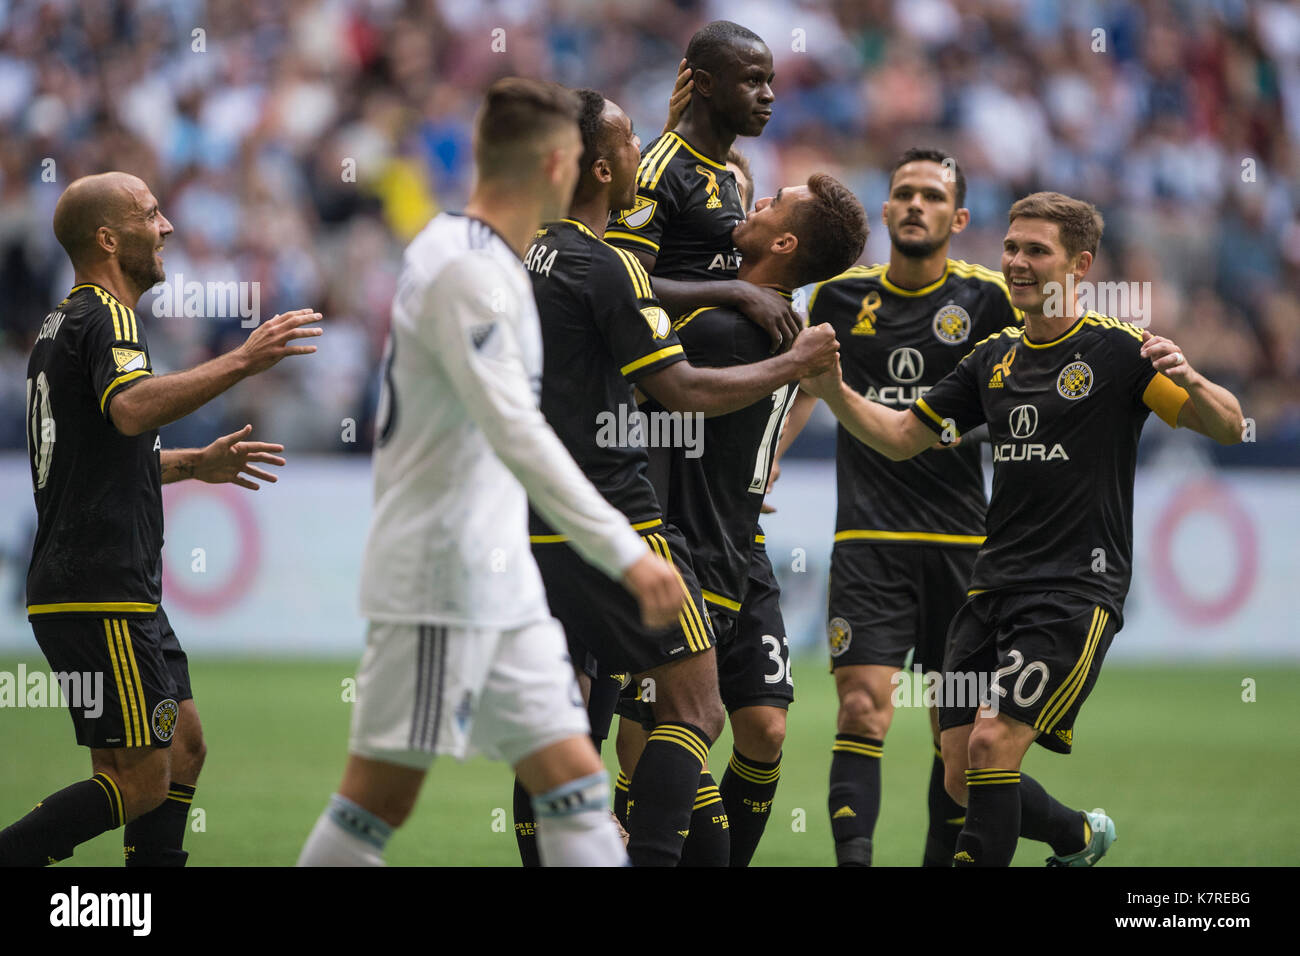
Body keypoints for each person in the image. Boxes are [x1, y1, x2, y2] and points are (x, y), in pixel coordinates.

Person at [297, 78, 685, 868]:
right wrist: (627, 552)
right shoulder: (465, 271)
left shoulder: (488, 260)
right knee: (374, 805)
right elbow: (518, 431)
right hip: (442, 582)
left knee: (578, 786)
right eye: (579, 158)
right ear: (553, 162)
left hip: (498, 581)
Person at [800, 191, 1245, 866]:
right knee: (959, 772)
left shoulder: (1121, 354)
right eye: (1012, 247)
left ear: (1081, 264)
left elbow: (1230, 426)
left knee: (989, 745)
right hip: (989, 592)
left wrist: (1196, 381)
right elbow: (898, 437)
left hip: (1072, 592)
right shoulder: (991, 358)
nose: (1017, 262)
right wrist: (832, 388)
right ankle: (1077, 836)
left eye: (1037, 250)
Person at [512, 89, 839, 868]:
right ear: (600, 167)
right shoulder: (617, 270)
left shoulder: (519, 253)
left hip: (539, 511)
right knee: (690, 707)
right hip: (623, 517)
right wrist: (792, 361)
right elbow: (681, 389)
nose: (647, 156)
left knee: (569, 718)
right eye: (632, 146)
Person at [0, 170, 321, 866]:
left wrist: (190, 464)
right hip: (101, 586)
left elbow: (100, 450)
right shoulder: (106, 316)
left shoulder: (60, 326)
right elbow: (133, 407)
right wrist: (242, 361)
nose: (167, 225)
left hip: (100, 586)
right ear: (110, 238)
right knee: (140, 781)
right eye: (150, 214)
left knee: (185, 747)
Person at [772, 148, 1021, 866]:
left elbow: (1016, 399)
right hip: (867, 539)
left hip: (964, 549)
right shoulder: (838, 299)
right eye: (904, 194)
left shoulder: (988, 301)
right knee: (860, 709)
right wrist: (772, 457)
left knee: (957, 744)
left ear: (958, 216)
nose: (916, 205)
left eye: (933, 197)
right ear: (885, 211)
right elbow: (802, 387)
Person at [656, 174, 867, 866]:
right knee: (671, 726)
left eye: (769, 201)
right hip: (682, 537)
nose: (749, 204)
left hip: (739, 541)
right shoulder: (733, 317)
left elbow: (804, 385)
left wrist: (765, 454)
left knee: (765, 730)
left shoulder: (780, 325)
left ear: (782, 241)